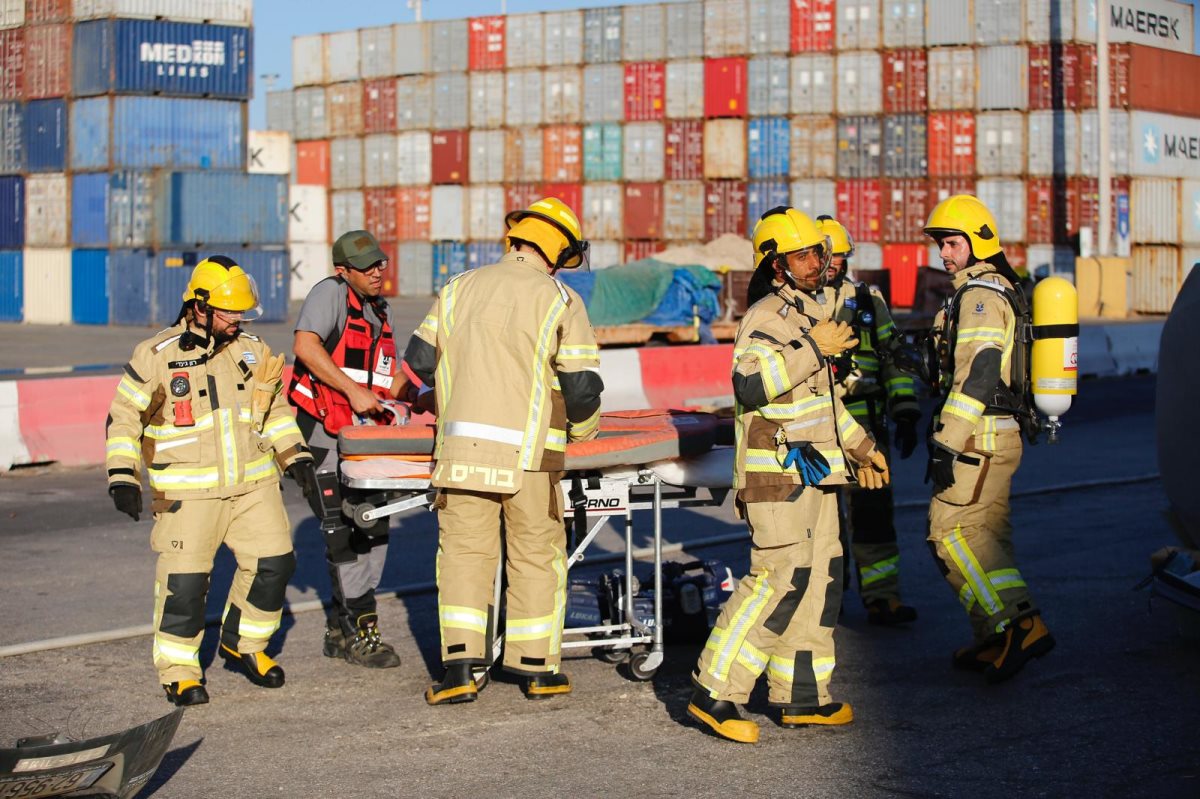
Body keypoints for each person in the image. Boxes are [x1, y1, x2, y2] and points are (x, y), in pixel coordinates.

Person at [686, 207, 890, 744]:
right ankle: (714, 692)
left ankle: (801, 694)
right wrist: (812, 349)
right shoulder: (767, 319)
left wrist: (864, 447)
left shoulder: (808, 319)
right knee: (775, 581)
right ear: (776, 267)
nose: (818, 262)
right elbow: (749, 386)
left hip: (818, 473)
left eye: (819, 252)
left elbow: (822, 404)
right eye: (803, 255)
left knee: (820, 581)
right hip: (776, 476)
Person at [404, 197, 604, 705]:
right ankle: (536, 670)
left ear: (514, 237)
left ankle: (460, 673)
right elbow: (581, 387)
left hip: (461, 452)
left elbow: (420, 359)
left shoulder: (457, 288)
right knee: (537, 555)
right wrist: (582, 431)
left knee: (465, 556)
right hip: (530, 459)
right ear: (558, 252)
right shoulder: (560, 300)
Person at [105, 255, 312, 705]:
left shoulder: (251, 350)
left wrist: (296, 456)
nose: (236, 320)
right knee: (185, 586)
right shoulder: (157, 356)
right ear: (198, 307)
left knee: (274, 565)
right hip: (187, 494)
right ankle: (180, 669)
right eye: (227, 312)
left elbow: (274, 410)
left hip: (254, 486)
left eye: (241, 312)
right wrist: (123, 476)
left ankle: (245, 644)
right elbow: (123, 419)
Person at [923, 194, 1055, 683]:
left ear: (979, 243)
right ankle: (994, 636)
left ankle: (1020, 624)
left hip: (977, 437)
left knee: (949, 533)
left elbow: (979, 372)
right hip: (999, 434)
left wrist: (948, 441)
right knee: (989, 538)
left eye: (952, 243)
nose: (944, 254)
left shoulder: (980, 295)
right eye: (941, 245)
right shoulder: (998, 291)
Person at [288, 230, 410, 669]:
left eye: (381, 263)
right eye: (367, 267)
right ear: (344, 270)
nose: (378, 272)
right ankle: (362, 631)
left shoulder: (380, 308)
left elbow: (386, 376)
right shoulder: (330, 293)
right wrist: (352, 391)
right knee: (344, 533)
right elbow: (305, 345)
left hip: (362, 438)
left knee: (373, 528)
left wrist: (419, 390)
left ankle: (341, 631)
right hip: (322, 436)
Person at [816, 215, 921, 626]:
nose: (833, 264)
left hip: (868, 431)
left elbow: (894, 358)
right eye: (827, 256)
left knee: (875, 517)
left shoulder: (866, 300)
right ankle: (828, 601)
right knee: (825, 524)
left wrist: (907, 411)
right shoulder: (796, 304)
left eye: (840, 256)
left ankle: (882, 597)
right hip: (820, 431)